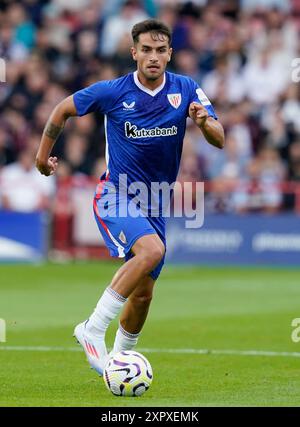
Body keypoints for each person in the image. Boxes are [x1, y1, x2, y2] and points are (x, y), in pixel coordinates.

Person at [35, 19, 225, 376]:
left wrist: (203, 122)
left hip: (155, 202)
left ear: (169, 53)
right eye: (146, 50)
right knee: (153, 251)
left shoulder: (186, 89)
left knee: (143, 294)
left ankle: (119, 364)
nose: (153, 57)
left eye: (160, 50)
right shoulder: (113, 92)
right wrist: (42, 157)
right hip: (116, 194)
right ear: (134, 52)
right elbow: (62, 109)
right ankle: (92, 328)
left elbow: (220, 137)